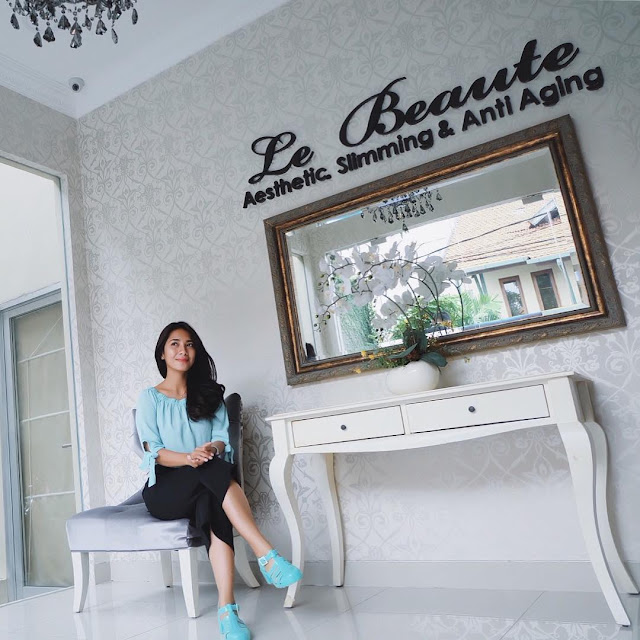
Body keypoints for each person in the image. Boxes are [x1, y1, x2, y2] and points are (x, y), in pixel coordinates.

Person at [136, 321, 302, 640]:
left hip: (206, 478)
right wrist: (189, 458)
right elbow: (153, 452)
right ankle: (265, 553)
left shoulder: (209, 395)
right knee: (211, 471)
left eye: (189, 344)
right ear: (162, 353)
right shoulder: (150, 398)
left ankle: (228, 611)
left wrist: (209, 450)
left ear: (196, 352)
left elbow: (220, 439)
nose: (183, 350)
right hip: (165, 489)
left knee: (212, 498)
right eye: (175, 344)